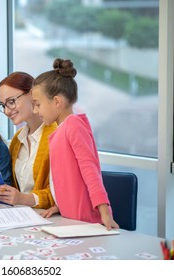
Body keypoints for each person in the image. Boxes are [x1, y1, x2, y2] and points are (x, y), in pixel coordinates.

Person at [31, 58, 119, 230]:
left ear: (56, 102)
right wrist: (60, 206)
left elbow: (90, 171)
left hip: (88, 222)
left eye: (37, 104)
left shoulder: (73, 126)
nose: (35, 111)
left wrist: (105, 213)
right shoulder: (63, 129)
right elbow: (69, 180)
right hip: (72, 220)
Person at [0, 72, 58, 209]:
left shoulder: (56, 135)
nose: (7, 111)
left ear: (32, 94)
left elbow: (59, 194)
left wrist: (23, 198)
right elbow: (13, 188)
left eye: (11, 102)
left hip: (50, 218)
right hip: (21, 216)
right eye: (3, 105)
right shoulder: (17, 140)